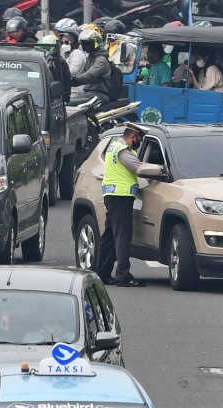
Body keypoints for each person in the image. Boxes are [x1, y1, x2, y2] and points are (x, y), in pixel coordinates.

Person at [97, 123, 147, 287]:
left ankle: (102, 273)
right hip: (121, 196)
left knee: (110, 236)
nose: (138, 143)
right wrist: (159, 168)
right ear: (133, 137)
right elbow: (138, 167)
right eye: (139, 139)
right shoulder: (123, 150)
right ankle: (123, 275)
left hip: (112, 195)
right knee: (123, 236)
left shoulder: (114, 146)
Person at [70, 28, 111, 103]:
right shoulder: (90, 58)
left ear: (95, 43)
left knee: (69, 103)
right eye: (83, 44)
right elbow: (81, 73)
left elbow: (89, 76)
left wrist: (73, 80)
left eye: (87, 43)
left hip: (100, 94)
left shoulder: (101, 59)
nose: (84, 46)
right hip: (90, 93)